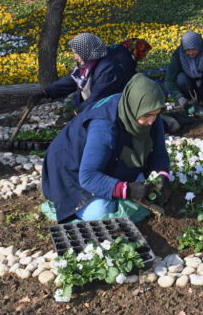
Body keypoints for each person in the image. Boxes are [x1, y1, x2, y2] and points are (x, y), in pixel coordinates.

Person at [41, 74, 171, 223]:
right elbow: (88, 176)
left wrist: (163, 175)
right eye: (147, 116)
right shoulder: (104, 125)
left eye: (156, 115)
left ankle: (115, 186)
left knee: (146, 185)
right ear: (134, 107)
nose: (151, 121)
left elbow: (160, 154)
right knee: (101, 211)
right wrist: (127, 190)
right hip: (70, 170)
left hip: (101, 161)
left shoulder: (148, 112)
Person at [31, 33, 136, 111]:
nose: (75, 57)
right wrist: (45, 93)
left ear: (87, 52)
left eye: (77, 53)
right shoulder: (86, 65)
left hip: (110, 114)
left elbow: (98, 98)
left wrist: (77, 112)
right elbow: (70, 81)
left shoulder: (108, 69)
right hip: (96, 111)